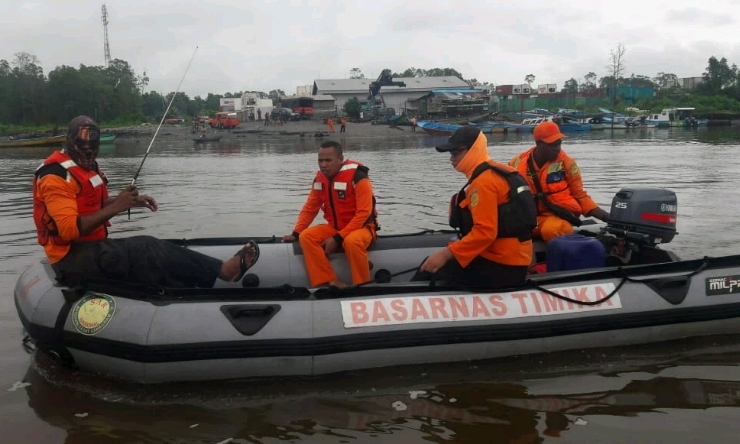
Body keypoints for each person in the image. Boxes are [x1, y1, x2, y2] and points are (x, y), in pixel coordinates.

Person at [33, 115, 259, 289]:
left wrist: (130, 201)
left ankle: (192, 296)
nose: (88, 152)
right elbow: (69, 229)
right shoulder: (55, 176)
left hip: (92, 248)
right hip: (70, 259)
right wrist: (117, 206)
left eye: (92, 147)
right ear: (70, 142)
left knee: (156, 253)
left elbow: (95, 207)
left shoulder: (87, 168)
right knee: (145, 247)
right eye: (82, 147)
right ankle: (224, 271)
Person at [412, 126, 536, 289]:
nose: (452, 158)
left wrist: (446, 254)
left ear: (473, 149)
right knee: (432, 265)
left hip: (502, 266)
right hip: (514, 261)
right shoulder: (497, 172)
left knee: (431, 270)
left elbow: (485, 232)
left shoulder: (483, 183)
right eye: (450, 153)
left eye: (456, 152)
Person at [282, 141, 378, 288]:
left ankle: (362, 285)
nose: (323, 164)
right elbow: (310, 208)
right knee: (306, 236)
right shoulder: (319, 179)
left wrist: (337, 238)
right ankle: (329, 280)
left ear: (340, 159)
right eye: (320, 160)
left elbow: (364, 214)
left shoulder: (358, 177)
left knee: (352, 241)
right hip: (335, 227)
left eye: (328, 160)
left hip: (363, 228)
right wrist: (296, 232)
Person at [509, 121, 610, 242]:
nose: (557, 149)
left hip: (557, 217)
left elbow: (580, 196)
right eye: (553, 145)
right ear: (538, 143)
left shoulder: (567, 163)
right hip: (530, 219)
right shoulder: (516, 163)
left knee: (553, 229)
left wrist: (606, 217)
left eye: (559, 144)